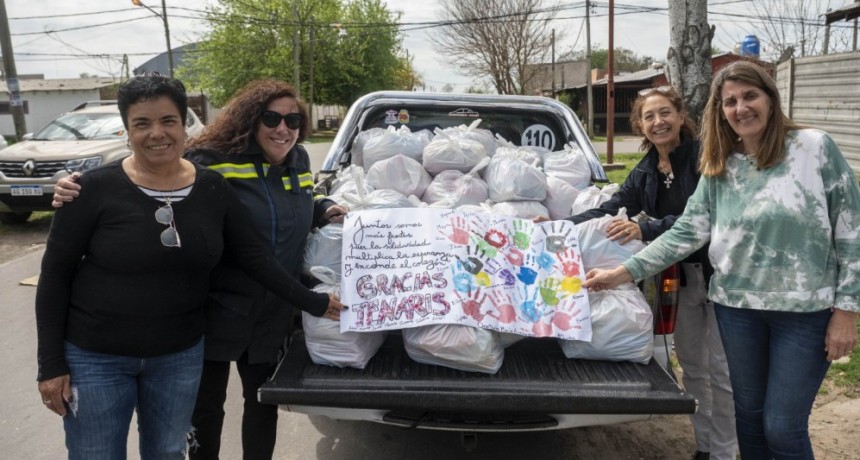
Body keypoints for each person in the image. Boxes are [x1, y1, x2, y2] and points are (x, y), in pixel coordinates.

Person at [36, 74, 344, 460]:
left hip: (182, 352)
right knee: (99, 452)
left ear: (184, 124)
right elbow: (55, 276)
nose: (157, 133)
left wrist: (314, 300)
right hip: (106, 354)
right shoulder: (93, 190)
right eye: (142, 123)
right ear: (126, 129)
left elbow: (254, 255)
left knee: (171, 450)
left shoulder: (212, 187)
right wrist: (50, 363)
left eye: (168, 121)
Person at [583, 61, 860, 459]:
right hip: (736, 310)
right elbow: (685, 233)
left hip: (803, 313)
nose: (741, 108)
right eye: (730, 101)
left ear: (770, 97)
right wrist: (622, 273)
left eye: (750, 96)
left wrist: (847, 310)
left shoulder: (814, 148)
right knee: (748, 419)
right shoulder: (719, 164)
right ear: (720, 110)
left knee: (782, 428)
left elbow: (851, 229)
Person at [564, 85, 736, 460]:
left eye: (665, 113)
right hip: (685, 278)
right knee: (692, 366)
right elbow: (612, 207)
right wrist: (558, 225)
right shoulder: (645, 172)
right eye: (649, 117)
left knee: (723, 372)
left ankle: (725, 452)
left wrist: (647, 228)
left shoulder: (704, 159)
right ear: (640, 126)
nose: (658, 122)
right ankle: (705, 447)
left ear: (680, 116)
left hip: (722, 277)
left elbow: (706, 218)